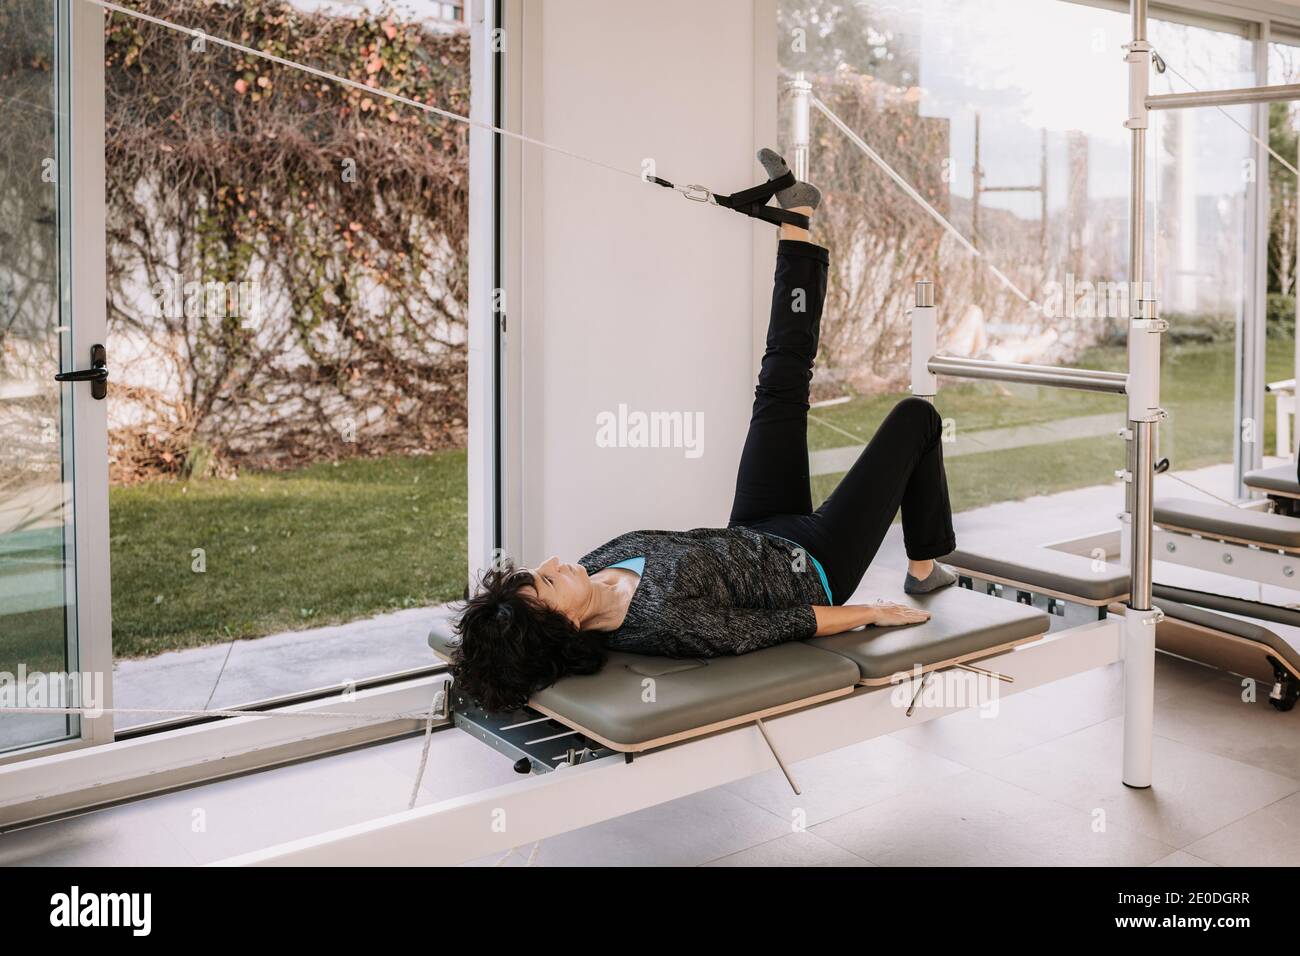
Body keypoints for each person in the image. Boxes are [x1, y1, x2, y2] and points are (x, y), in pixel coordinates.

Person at [451, 150, 958, 712]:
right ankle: (924, 566)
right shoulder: (661, 624)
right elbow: (776, 625)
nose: (549, 563)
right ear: (566, 622)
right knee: (917, 417)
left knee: (777, 386)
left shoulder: (595, 566)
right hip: (816, 566)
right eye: (546, 583)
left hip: (755, 528)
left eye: (536, 571)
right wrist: (870, 612)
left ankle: (797, 225)